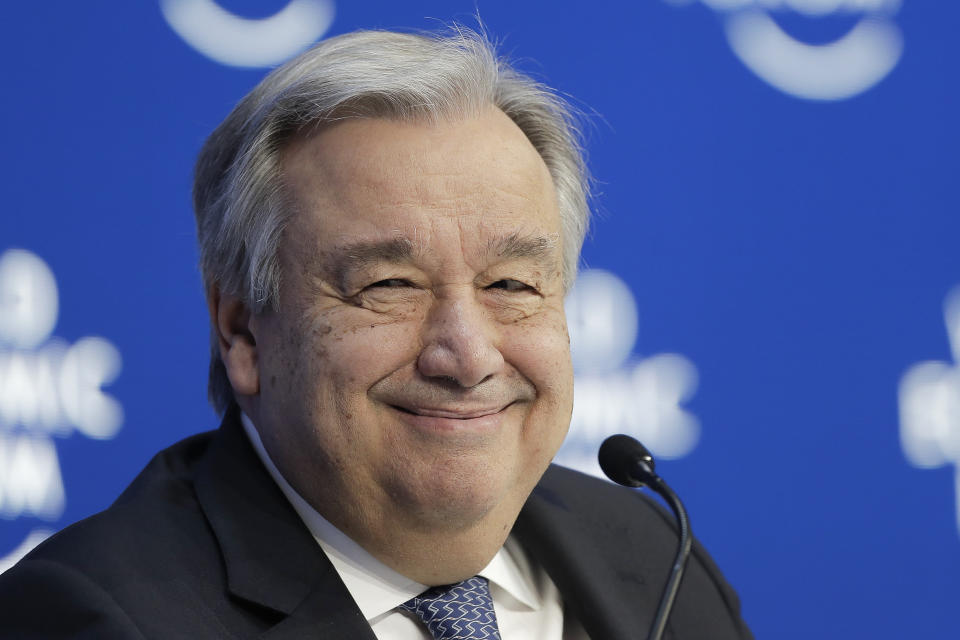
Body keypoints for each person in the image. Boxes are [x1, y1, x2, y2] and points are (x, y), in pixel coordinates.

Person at [0, 26, 752, 639]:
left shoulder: (654, 556)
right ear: (242, 333)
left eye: (511, 286)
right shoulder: (93, 617)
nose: (467, 354)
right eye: (388, 286)